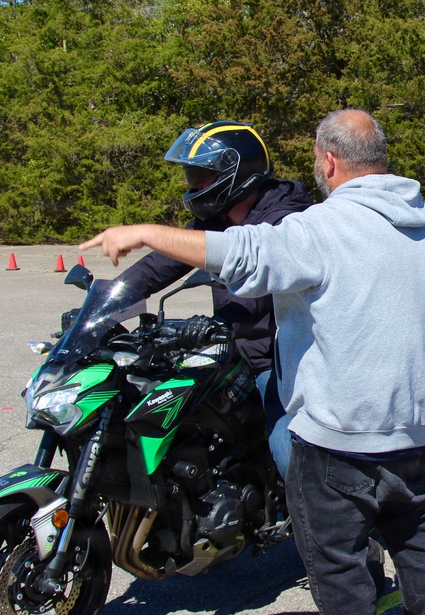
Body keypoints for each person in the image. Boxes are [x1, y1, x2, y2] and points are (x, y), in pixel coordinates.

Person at [81, 108, 425, 615]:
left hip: (335, 433)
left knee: (334, 559)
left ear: (330, 161)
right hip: (408, 429)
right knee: (417, 540)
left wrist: (143, 231)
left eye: (317, 158)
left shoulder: (314, 226)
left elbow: (244, 252)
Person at [117, 121, 311, 480]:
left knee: (288, 449)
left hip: (275, 359)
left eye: (201, 176)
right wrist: (109, 302)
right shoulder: (216, 221)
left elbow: (253, 299)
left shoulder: (286, 220)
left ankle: (330, 527)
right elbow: (160, 263)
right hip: (231, 352)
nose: (194, 186)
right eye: (192, 176)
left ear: (237, 174)